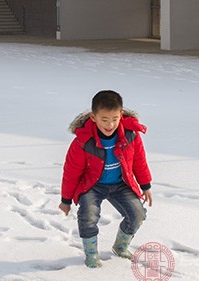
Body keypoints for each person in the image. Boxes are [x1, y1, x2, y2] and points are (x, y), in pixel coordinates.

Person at [59, 90, 152, 268]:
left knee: (138, 214)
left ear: (121, 114)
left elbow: (139, 161)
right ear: (94, 117)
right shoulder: (83, 142)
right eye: (104, 119)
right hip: (93, 185)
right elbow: (71, 172)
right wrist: (66, 199)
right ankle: (91, 254)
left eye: (115, 119)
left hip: (120, 183)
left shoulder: (131, 135)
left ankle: (120, 246)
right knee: (88, 216)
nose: (110, 124)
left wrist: (145, 185)